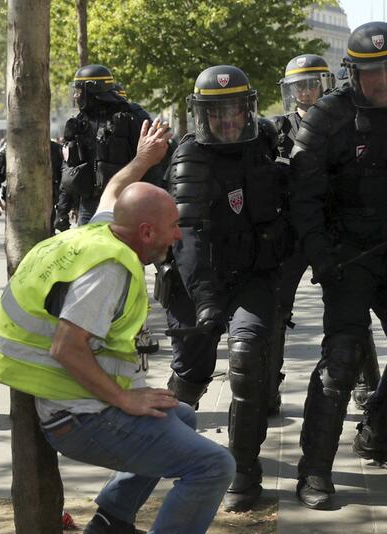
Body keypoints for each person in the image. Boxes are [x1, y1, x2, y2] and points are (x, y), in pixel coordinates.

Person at [0, 120, 235, 534]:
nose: (177, 236)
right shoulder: (108, 269)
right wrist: (124, 399)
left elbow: (115, 188)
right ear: (146, 231)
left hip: (75, 403)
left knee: (180, 416)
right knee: (213, 465)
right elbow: (67, 347)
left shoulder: (98, 231)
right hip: (78, 417)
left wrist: (144, 159)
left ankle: (110, 522)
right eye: (172, 227)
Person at [289, 21, 387, 510]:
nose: (383, 82)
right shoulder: (326, 119)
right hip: (348, 259)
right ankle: (314, 471)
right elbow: (303, 198)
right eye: (372, 73)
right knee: (342, 362)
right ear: (352, 73)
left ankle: (375, 433)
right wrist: (323, 258)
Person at [162, 65, 291, 511]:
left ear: (248, 110)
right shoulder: (190, 157)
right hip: (196, 284)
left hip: (253, 276)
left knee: (248, 357)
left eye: (235, 110)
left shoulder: (266, 145)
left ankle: (244, 468)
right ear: (203, 115)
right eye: (216, 113)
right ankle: (170, 449)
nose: (227, 121)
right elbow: (188, 234)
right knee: (190, 374)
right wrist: (205, 301)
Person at [269, 54, 381, 413]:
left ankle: (366, 385)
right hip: (290, 230)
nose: (306, 92)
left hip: (333, 228)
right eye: (299, 86)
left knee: (351, 306)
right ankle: (267, 384)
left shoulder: (345, 123)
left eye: (313, 83)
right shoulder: (275, 129)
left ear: (326, 83)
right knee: (275, 308)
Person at [59, 65, 161, 227]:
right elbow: (70, 169)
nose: (76, 96)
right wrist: (62, 210)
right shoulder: (79, 122)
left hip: (127, 202)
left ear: (92, 89)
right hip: (89, 206)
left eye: (79, 91)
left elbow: (154, 162)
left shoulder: (132, 117)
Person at [0, 138, 65, 229]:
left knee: (46, 235)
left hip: (45, 203)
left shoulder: (54, 148)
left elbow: (65, 178)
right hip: (18, 202)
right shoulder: (11, 148)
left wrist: (68, 205)